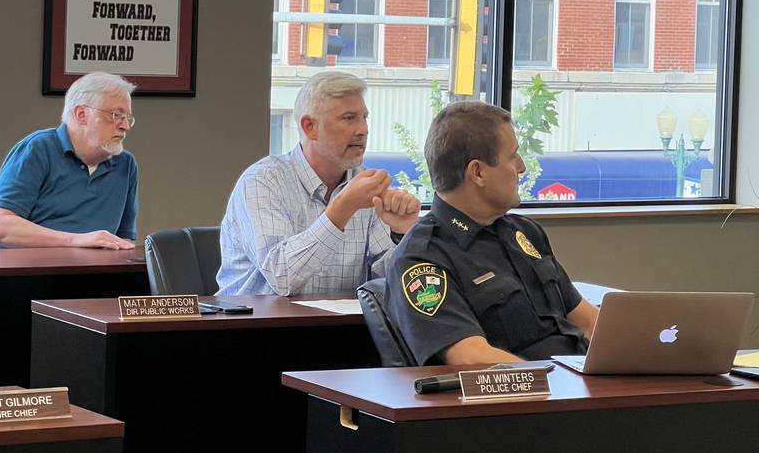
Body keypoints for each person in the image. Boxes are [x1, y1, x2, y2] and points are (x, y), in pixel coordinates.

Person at [385, 101, 599, 365]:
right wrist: (557, 385)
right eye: (512, 156)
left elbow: (589, 321)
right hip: (528, 396)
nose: (521, 166)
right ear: (478, 172)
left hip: (581, 382)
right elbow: (470, 356)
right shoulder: (423, 258)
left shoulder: (525, 233)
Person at [217, 71, 421, 296]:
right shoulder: (262, 182)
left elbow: (393, 283)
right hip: (254, 326)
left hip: (339, 327)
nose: (363, 129)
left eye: (365, 117)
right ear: (309, 127)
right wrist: (342, 208)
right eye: (349, 118)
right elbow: (282, 278)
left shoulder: (365, 185)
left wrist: (402, 234)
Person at [0, 72, 138, 250]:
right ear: (81, 114)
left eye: (128, 118)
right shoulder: (38, 149)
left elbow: (124, 240)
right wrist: (77, 240)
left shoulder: (125, 165)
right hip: (5, 271)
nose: (125, 126)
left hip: (79, 273)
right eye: (115, 115)